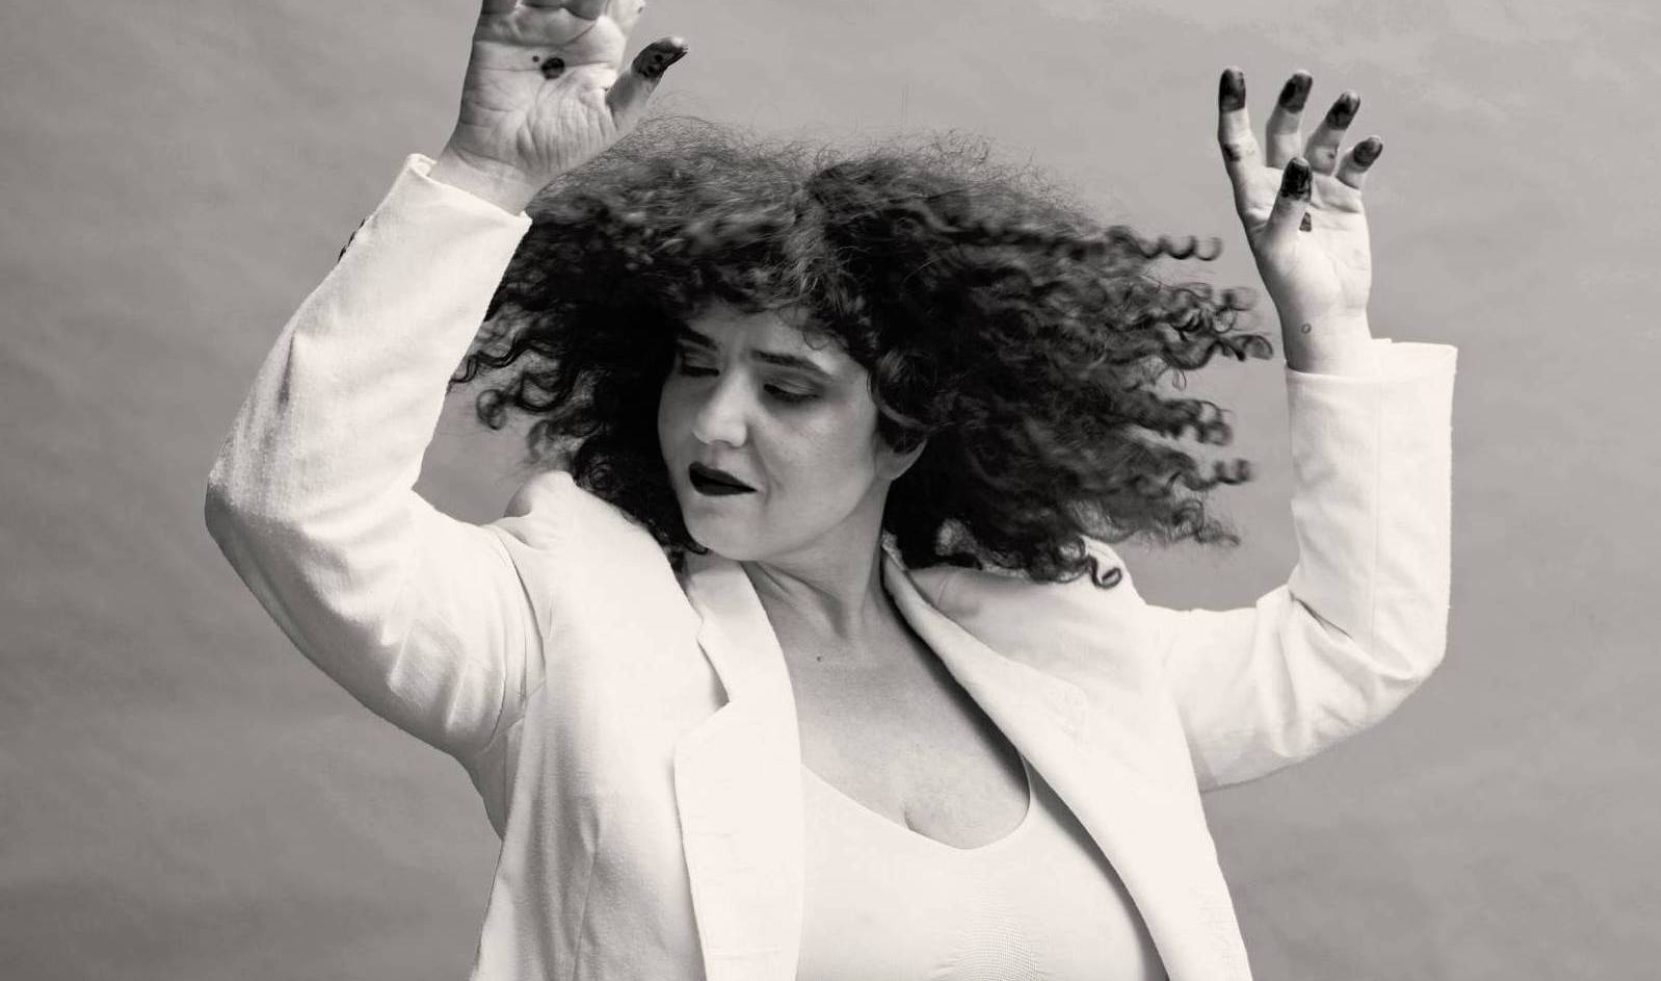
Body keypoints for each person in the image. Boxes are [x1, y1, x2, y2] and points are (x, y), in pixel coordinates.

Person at [203, 0, 1458, 978]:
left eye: (789, 388)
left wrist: (1328, 329)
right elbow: (296, 513)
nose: (715, 419)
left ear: (905, 430)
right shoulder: (563, 628)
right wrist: (486, 174)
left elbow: (1354, 646)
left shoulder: (1063, 643)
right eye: (695, 364)